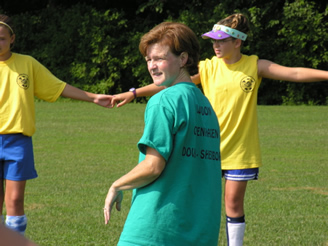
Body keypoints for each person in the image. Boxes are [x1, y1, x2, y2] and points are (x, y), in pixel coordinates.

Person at [109, 13, 328, 246]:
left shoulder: (253, 66)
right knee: (198, 197)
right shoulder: (207, 69)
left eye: (221, 41)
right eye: (213, 41)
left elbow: (294, 73)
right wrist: (133, 93)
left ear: (238, 42)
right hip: (205, 145)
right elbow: (166, 79)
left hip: (239, 149)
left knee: (232, 202)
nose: (216, 45)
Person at [103, 22, 222, 246]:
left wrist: (117, 185)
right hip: (200, 230)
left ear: (183, 59)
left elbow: (153, 166)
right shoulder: (206, 106)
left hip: (156, 229)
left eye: (159, 58)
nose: (152, 66)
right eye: (149, 59)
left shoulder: (163, 100)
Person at [0, 14, 113, 235]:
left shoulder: (27, 63)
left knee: (14, 200)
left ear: (12, 39)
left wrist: (92, 97)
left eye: (2, 38)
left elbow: (57, 87)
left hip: (18, 142)